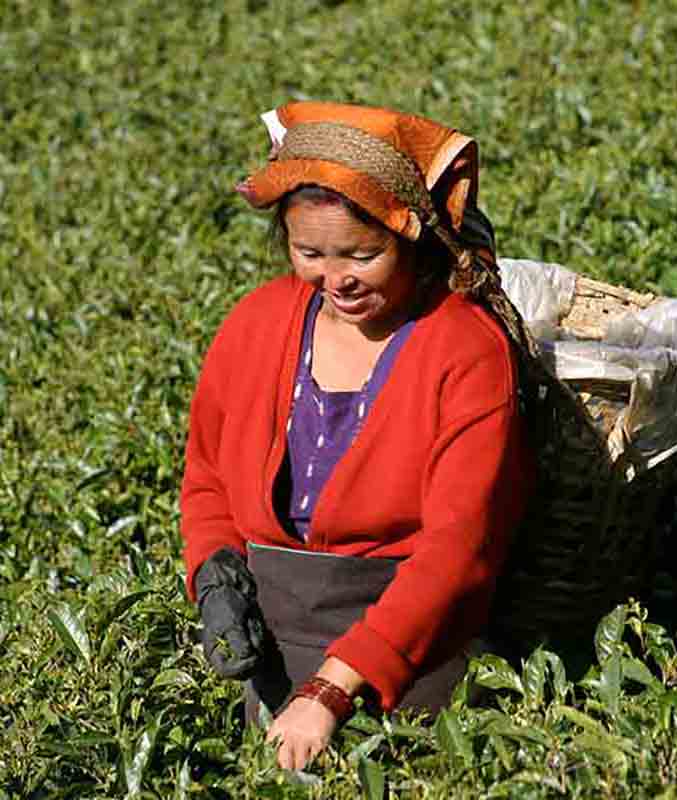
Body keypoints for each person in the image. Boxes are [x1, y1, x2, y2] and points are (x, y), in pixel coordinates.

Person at [180, 101, 532, 771]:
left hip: (410, 640)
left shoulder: (465, 350)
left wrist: (330, 689)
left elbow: (459, 550)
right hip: (272, 629)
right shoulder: (256, 323)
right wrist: (215, 575)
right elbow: (207, 476)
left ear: (409, 239)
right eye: (308, 252)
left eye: (362, 255)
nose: (334, 279)